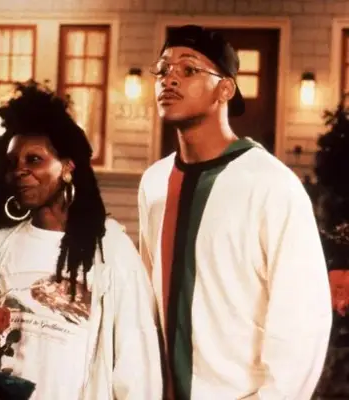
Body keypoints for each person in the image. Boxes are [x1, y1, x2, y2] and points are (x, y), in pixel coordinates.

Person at [138, 25, 332, 399]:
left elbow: (302, 316)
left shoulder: (271, 184)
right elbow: (149, 295)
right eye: (163, 69)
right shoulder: (155, 183)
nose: (170, 79)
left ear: (225, 89)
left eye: (189, 69)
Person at [0, 81, 163, 400]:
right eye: (13, 162)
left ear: (67, 167)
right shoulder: (1, 245)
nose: (20, 171)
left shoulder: (111, 249)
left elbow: (137, 362)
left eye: (34, 160)